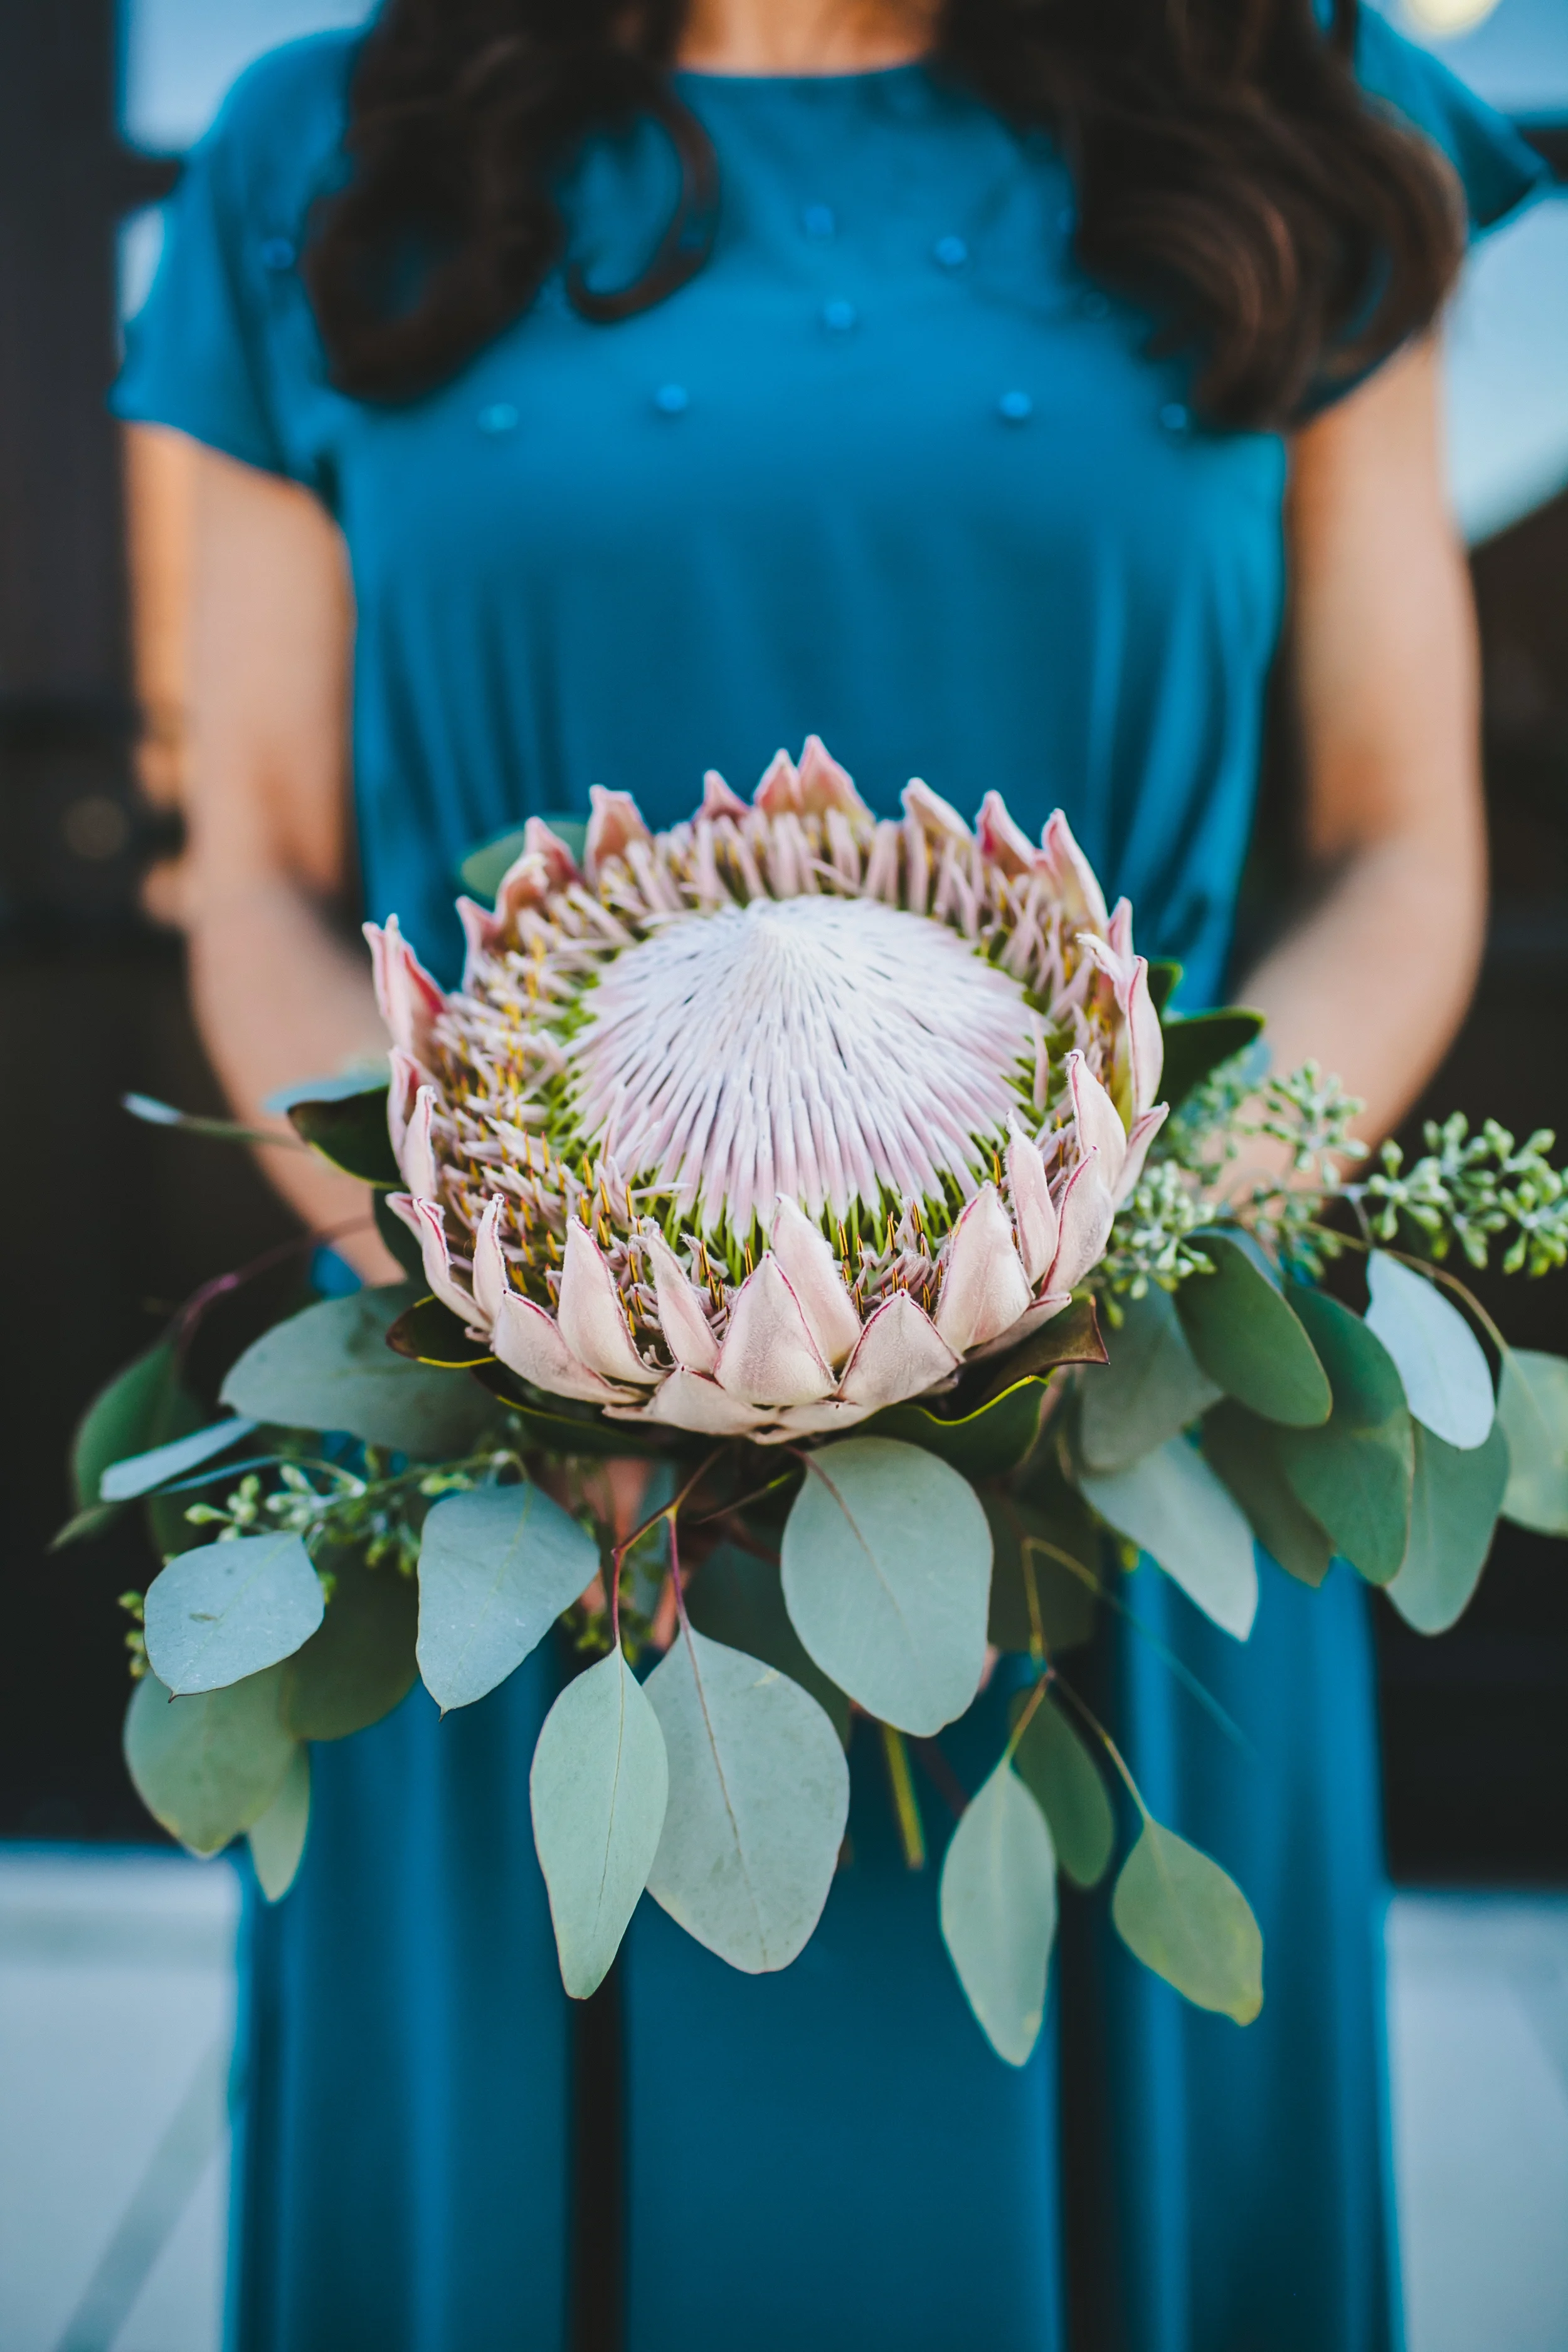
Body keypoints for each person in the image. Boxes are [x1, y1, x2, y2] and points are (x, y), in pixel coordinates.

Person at [114, 3, 1544, 2346]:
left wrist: (1134, 1256)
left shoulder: (1292, 90)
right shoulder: (327, 142)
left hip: (1119, 1465)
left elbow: (1396, 849)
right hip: (523, 1493)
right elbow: (259, 872)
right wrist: (517, 1308)